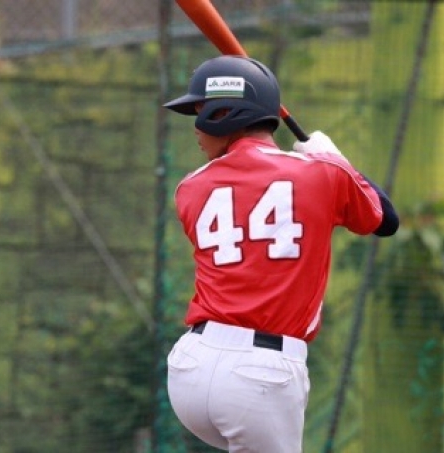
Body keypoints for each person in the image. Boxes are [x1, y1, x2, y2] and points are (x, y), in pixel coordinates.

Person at [163, 55, 399, 452]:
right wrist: (336, 160)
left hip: (190, 368)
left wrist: (327, 167)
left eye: (201, 112)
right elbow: (385, 220)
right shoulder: (323, 173)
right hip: (261, 375)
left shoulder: (189, 188)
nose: (196, 128)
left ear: (227, 113)